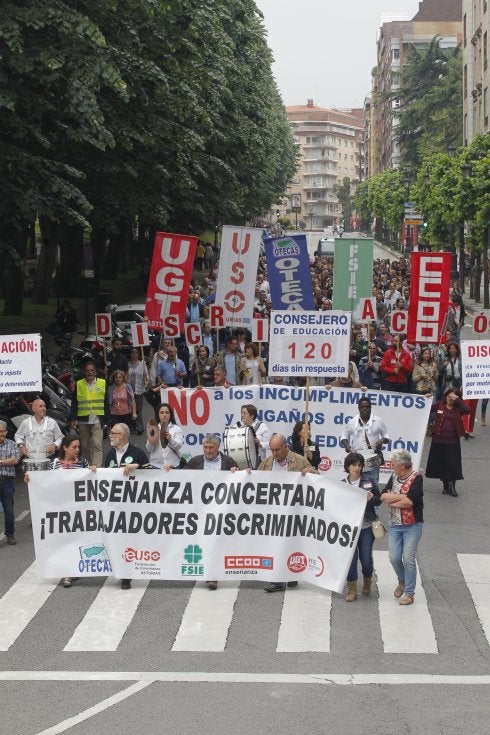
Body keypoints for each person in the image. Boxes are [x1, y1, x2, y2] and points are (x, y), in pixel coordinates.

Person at [258, 434, 318, 593]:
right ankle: (278, 580)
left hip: (294, 512)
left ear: (286, 447)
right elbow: (256, 481)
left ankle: (290, 575)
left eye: (277, 449)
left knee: (291, 544)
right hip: (273, 512)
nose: (274, 453)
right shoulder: (267, 463)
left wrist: (310, 471)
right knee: (276, 544)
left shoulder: (299, 460)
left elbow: (317, 477)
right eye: (272, 450)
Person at [187, 433, 239, 591]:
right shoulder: (195, 462)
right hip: (200, 510)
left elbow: (241, 479)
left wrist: (237, 472)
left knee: (215, 541)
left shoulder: (228, 461)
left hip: (220, 510)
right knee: (204, 541)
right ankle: (207, 570)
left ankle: (212, 575)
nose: (208, 451)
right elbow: (181, 478)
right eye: (205, 447)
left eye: (211, 448)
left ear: (218, 447)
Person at [46, 434, 96, 588]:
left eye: (78, 447)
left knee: (77, 540)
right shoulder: (54, 465)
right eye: (74, 447)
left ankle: (73, 569)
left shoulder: (82, 463)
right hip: (61, 510)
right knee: (64, 541)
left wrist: (93, 471)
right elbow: (45, 485)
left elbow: (90, 483)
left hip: (78, 510)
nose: (77, 450)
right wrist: (31, 480)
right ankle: (67, 573)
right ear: (65, 447)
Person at [104, 423, 149, 590]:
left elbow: (151, 472)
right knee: (117, 540)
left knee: (129, 540)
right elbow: (104, 476)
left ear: (122, 436)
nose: (110, 436)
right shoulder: (110, 454)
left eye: (113, 433)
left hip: (132, 506)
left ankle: (126, 575)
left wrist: (137, 467)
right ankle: (121, 571)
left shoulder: (137, 452)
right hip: (114, 506)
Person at [380, 449, 424, 606]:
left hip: (412, 525)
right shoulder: (394, 477)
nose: (392, 466)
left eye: (394, 464)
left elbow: (410, 502)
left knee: (408, 559)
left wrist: (393, 501)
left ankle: (409, 593)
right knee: (394, 557)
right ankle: (402, 580)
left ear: (403, 466)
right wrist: (400, 497)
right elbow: (383, 496)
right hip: (395, 525)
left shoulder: (417, 478)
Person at [342, 452, 381, 602]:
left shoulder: (368, 481)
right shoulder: (342, 484)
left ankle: (367, 580)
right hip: (348, 529)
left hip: (366, 527)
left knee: (365, 558)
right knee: (350, 559)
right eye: (354, 465)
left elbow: (378, 501)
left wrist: (372, 499)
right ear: (347, 466)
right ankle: (352, 589)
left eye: (359, 465)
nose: (357, 468)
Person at [425, 388, 470, 497]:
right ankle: (445, 486)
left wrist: (458, 400)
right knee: (441, 463)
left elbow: (468, 410)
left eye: (453, 398)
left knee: (452, 464)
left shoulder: (459, 408)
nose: (450, 399)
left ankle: (452, 486)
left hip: (452, 441)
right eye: (449, 397)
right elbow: (426, 408)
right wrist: (426, 399)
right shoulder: (440, 404)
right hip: (438, 440)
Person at [340, 397, 389, 484]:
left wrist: (381, 440)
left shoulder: (378, 421)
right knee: (356, 484)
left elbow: (386, 436)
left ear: (370, 407)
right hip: (357, 459)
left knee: (373, 485)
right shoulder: (352, 422)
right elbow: (343, 436)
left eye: (367, 407)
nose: (365, 409)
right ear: (358, 408)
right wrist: (347, 445)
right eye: (362, 407)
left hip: (372, 458)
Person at [69, 361, 109, 467]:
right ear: (84, 372)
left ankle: (96, 467)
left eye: (92, 370)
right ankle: (87, 466)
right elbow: (74, 402)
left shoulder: (103, 382)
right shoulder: (79, 384)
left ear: (95, 371)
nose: (90, 372)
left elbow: (106, 403)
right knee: (85, 446)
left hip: (97, 419)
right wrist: (72, 418)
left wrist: (108, 420)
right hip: (83, 419)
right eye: (87, 370)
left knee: (97, 445)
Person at [146, 403, 184, 470]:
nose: (164, 415)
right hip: (156, 465)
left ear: (170, 415)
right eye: (162, 412)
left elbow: (179, 446)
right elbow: (149, 449)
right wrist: (152, 440)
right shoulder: (154, 428)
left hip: (173, 465)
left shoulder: (176, 428)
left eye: (167, 412)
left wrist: (170, 439)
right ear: (158, 414)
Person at [0, 420, 20, 545]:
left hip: (6, 481)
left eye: (4, 431)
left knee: (9, 510)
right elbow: (10, 460)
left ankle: (10, 534)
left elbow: (15, 460)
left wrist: (1, 462)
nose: (2, 434)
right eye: (0, 432)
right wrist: (6, 460)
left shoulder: (12, 444)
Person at [128, 348, 148, 434]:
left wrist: (145, 376)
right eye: (132, 352)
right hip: (129, 390)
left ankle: (139, 427)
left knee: (138, 409)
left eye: (136, 352)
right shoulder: (127, 364)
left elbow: (147, 379)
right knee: (130, 409)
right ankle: (132, 427)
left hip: (138, 389)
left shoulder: (142, 364)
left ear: (138, 354)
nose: (134, 354)